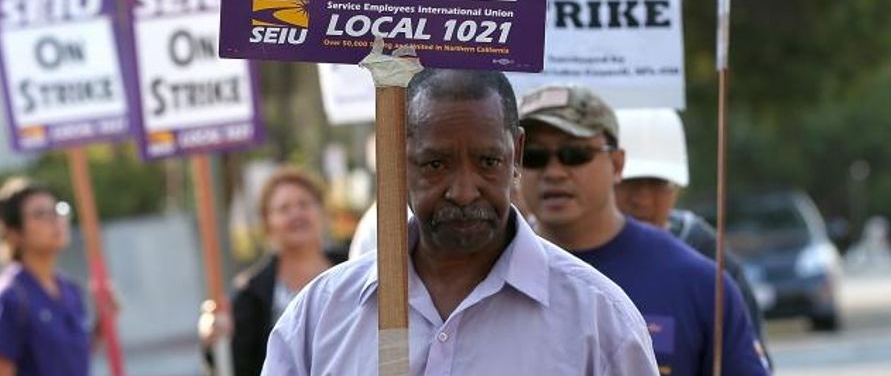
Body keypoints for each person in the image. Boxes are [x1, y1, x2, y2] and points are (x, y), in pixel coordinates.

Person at [262, 69, 658, 375]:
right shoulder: (320, 317)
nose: (465, 192)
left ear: (516, 154)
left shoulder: (598, 319)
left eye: (488, 162)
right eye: (436, 164)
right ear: (397, 159)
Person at [518, 85, 770, 376]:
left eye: (575, 154)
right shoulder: (479, 276)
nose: (554, 172)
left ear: (617, 163)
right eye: (533, 156)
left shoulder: (699, 285)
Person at [612, 109, 770, 355]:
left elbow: (753, 355)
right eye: (629, 183)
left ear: (675, 188)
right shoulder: (571, 251)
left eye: (656, 184)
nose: (641, 198)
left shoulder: (704, 252)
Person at [200, 168, 347, 376]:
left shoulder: (355, 270)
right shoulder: (251, 294)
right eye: (284, 209)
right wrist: (216, 344)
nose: (296, 214)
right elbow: (239, 367)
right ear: (267, 222)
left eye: (304, 204)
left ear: (321, 211)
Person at [0, 177, 98, 376]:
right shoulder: (9, 296)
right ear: (15, 233)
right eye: (40, 214)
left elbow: (69, 359)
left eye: (58, 210)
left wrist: (102, 324)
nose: (56, 220)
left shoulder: (71, 290)